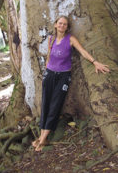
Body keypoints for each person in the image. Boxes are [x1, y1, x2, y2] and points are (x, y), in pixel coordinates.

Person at [32, 16, 110, 151]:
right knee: (45, 103)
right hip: (49, 75)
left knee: (55, 105)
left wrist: (95, 62)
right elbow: (49, 55)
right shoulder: (51, 39)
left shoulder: (71, 39)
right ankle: (41, 136)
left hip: (63, 77)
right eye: (60, 23)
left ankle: (43, 139)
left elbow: (83, 52)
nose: (62, 26)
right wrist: (47, 68)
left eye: (65, 24)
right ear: (55, 25)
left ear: (67, 27)